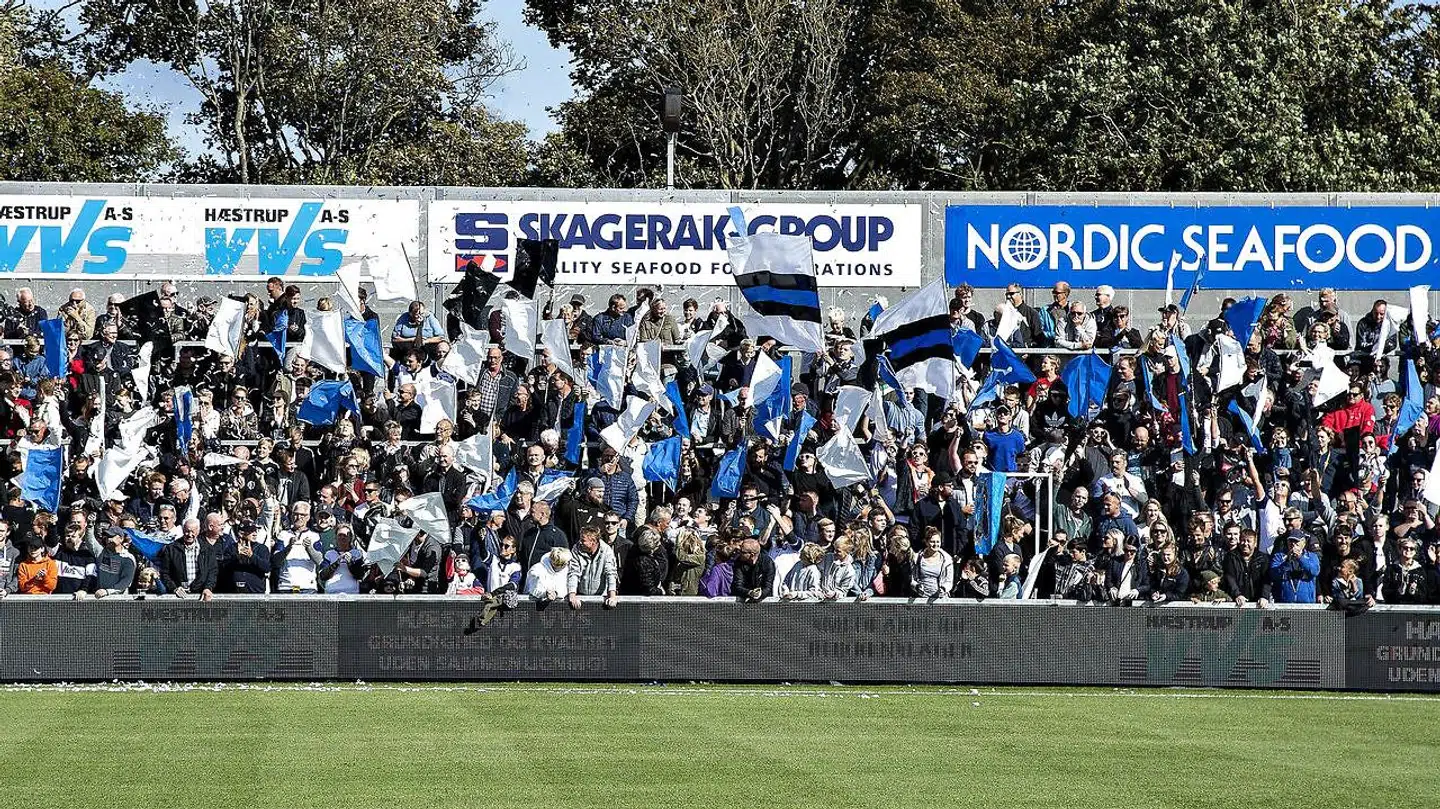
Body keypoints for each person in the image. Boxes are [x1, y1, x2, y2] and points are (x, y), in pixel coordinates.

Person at [566, 526, 618, 608]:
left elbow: (611, 573)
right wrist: (572, 595)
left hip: (601, 597)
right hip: (581, 595)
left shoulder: (607, 551)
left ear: (593, 542)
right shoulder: (576, 549)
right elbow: (573, 573)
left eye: (583, 540)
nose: (580, 542)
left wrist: (612, 596)